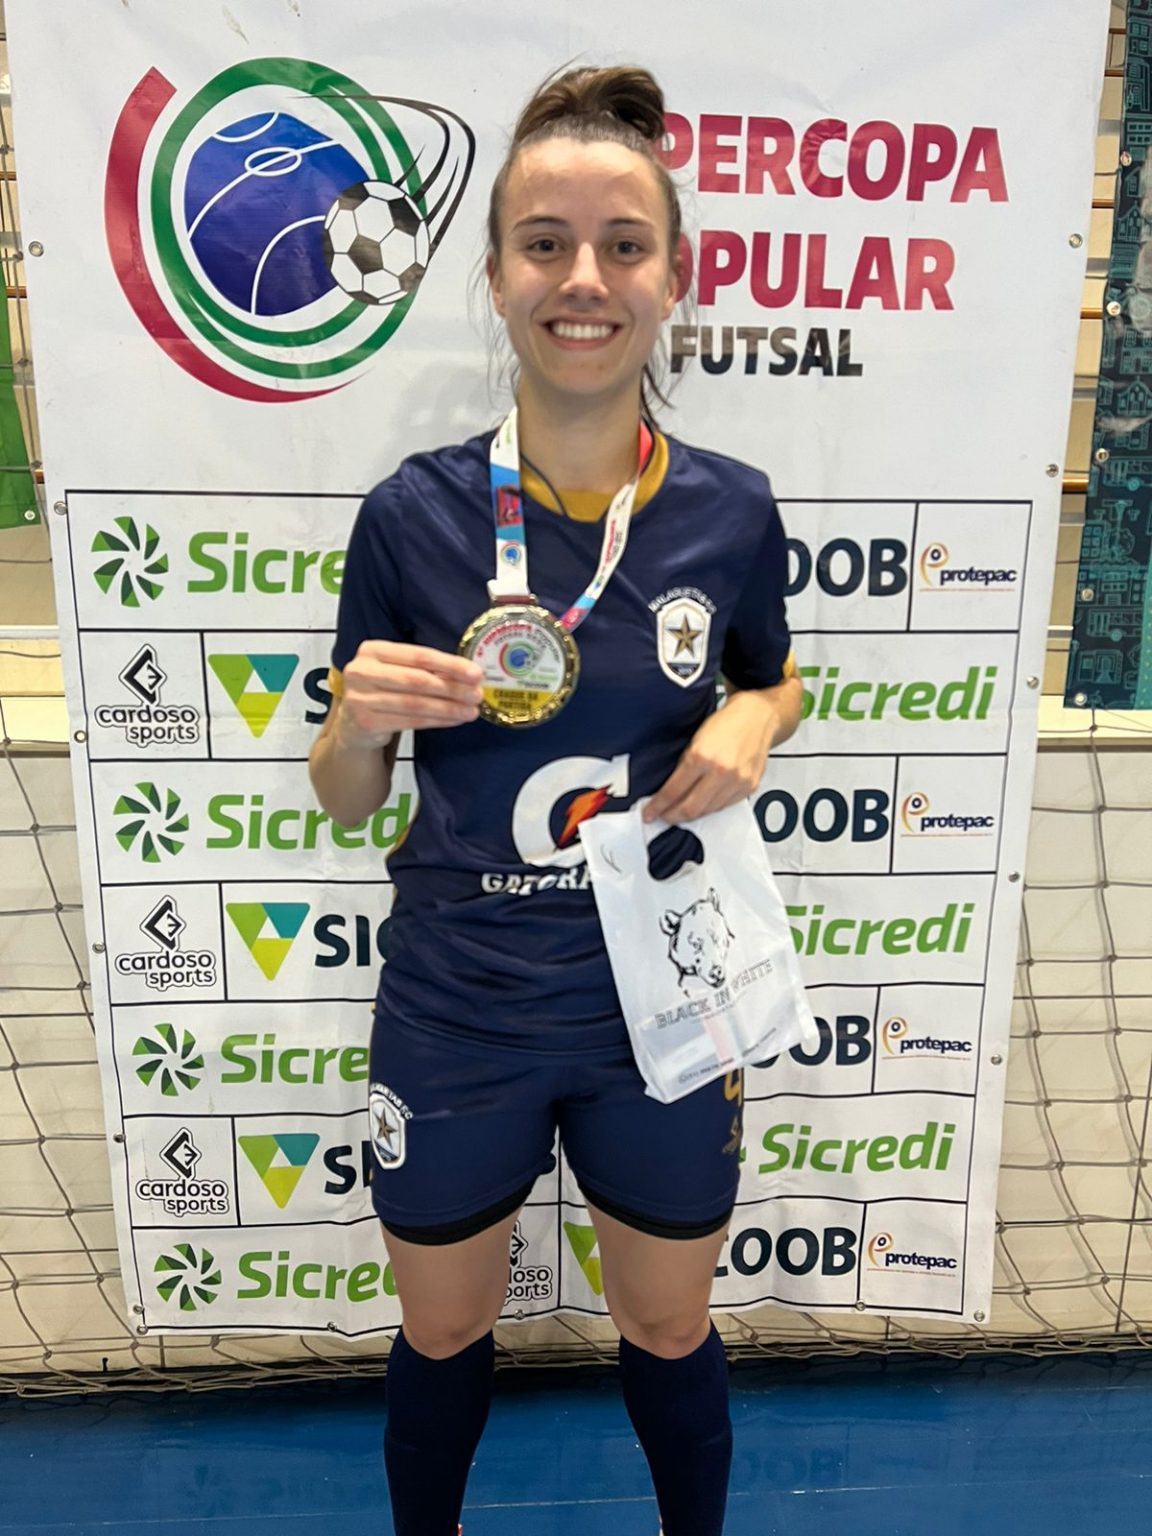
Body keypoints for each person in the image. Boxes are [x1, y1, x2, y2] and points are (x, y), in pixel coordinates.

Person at [308, 62, 802, 1536]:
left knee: (667, 1323)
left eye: (622, 246)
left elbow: (776, 676)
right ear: (496, 276)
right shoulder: (409, 515)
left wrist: (760, 716)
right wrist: (351, 721)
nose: (584, 279)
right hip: (461, 1000)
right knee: (445, 1328)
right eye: (545, 244)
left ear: (673, 278)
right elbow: (346, 800)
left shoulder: (731, 508)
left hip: (664, 1000)